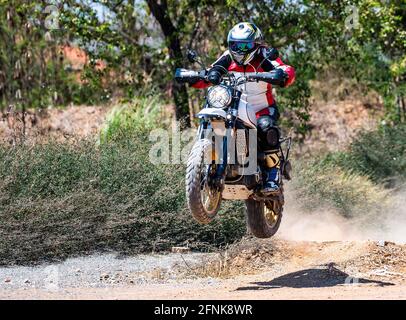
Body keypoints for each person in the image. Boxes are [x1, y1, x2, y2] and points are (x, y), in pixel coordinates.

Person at [190, 22, 295, 194]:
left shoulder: (265, 56)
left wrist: (283, 74)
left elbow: (285, 69)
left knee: (266, 126)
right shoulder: (228, 57)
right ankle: (213, 165)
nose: (241, 49)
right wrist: (197, 77)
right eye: (235, 45)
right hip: (233, 106)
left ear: (256, 44)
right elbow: (213, 71)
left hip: (261, 108)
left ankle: (272, 174)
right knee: (216, 120)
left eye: (246, 45)